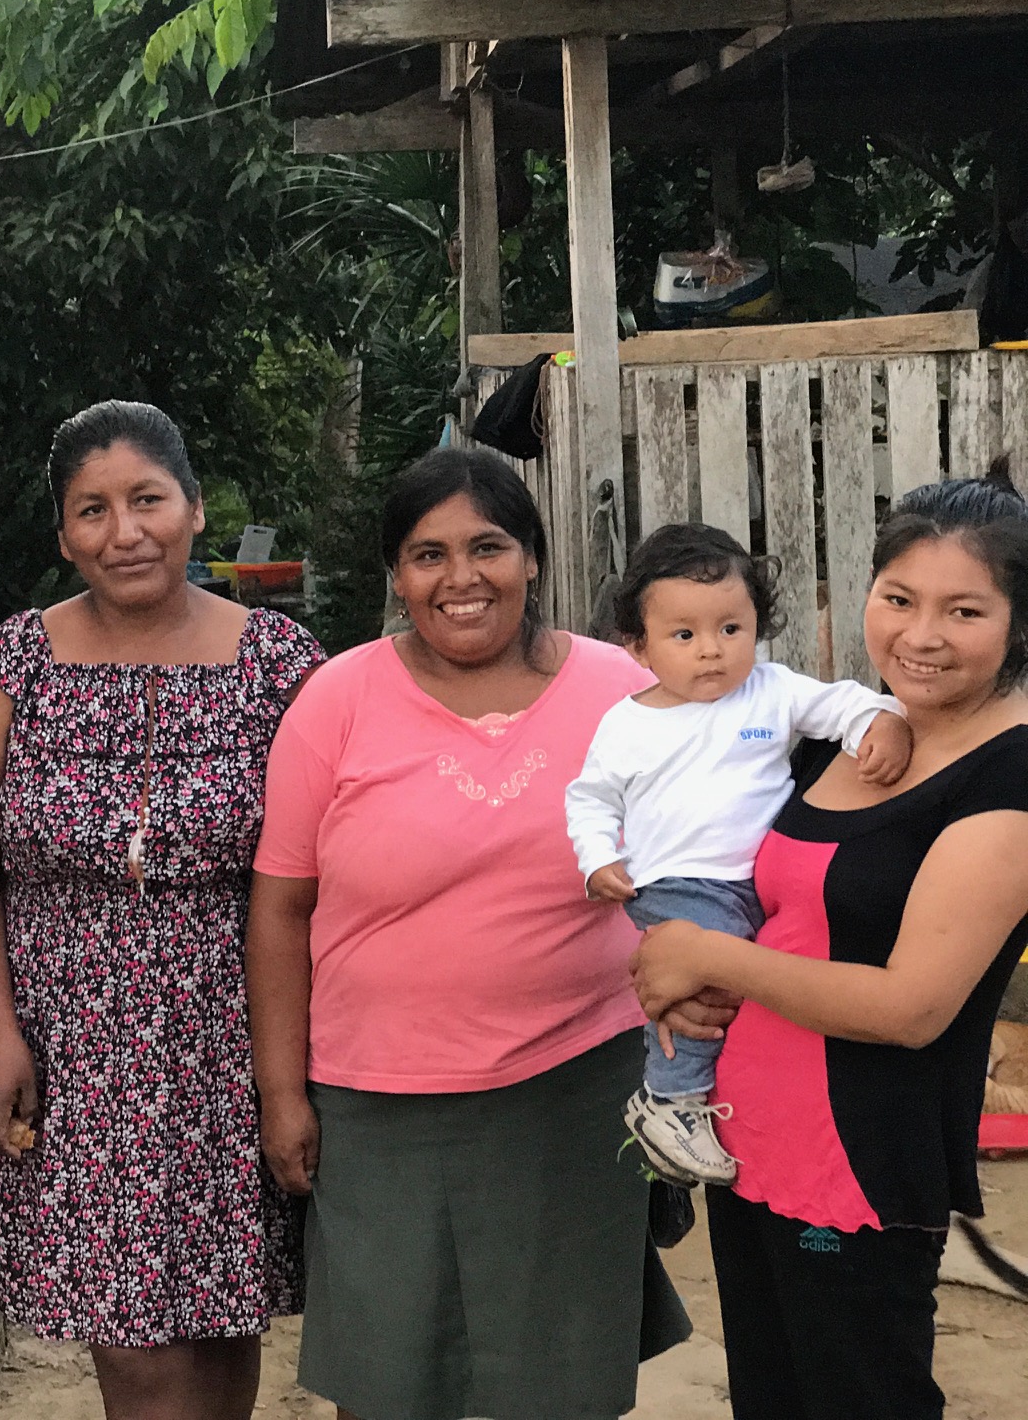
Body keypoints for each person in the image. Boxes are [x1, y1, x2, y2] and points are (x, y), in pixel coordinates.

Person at [247, 447, 693, 1420]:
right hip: (379, 1104)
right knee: (390, 1384)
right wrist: (284, 1095)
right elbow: (280, 909)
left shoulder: (619, 691)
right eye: (426, 555)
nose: (460, 579)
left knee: (563, 1385)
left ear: (531, 558)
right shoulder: (338, 699)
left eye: (487, 546)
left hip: (578, 1094)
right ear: (395, 576)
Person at [0, 401, 323, 1420]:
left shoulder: (282, 666)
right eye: (92, 510)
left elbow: (321, 869)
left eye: (147, 500)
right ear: (63, 534)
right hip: (77, 1043)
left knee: (219, 1322)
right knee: (138, 1348)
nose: (125, 532)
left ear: (195, 510)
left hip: (232, 1034)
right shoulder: (14, 665)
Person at [632, 469, 1028, 1420]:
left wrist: (707, 960)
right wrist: (680, 973)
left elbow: (910, 1006)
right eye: (898, 599)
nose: (920, 635)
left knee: (860, 1395)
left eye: (964, 610)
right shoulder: (841, 736)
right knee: (771, 1397)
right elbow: (748, 894)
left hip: (857, 1158)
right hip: (747, 1141)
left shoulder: (1007, 776)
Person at [566, 522, 911, 1186]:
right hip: (678, 884)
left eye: (732, 629)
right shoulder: (627, 724)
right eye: (684, 635)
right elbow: (590, 798)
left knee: (738, 991)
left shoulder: (772, 691)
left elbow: (841, 705)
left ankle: (705, 1100)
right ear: (638, 647)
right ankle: (671, 1103)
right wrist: (594, 857)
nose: (712, 652)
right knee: (710, 984)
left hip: (758, 884)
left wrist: (880, 722)